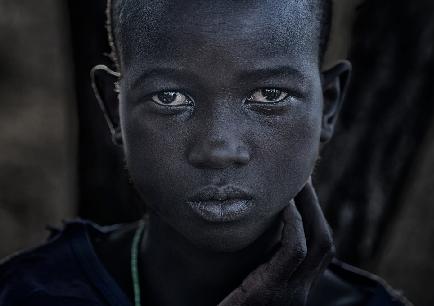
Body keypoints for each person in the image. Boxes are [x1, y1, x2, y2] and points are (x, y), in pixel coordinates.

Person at [0, 0, 411, 305]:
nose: (219, 149)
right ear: (114, 108)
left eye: (269, 95)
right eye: (170, 97)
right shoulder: (25, 293)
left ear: (329, 104)